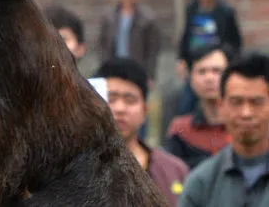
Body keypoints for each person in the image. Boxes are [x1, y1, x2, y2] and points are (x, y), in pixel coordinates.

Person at [180, 52, 269, 206]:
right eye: (236, 102)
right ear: (221, 106)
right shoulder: (201, 182)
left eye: (256, 102)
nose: (246, 113)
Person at [96, 57, 189, 206]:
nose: (120, 108)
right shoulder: (73, 170)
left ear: (145, 110)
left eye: (130, 100)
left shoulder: (174, 171)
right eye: (111, 99)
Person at [176, 0, 243, 116]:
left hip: (217, 64)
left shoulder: (226, 11)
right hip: (196, 63)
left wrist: (224, 58)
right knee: (186, 104)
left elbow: (236, 43)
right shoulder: (192, 9)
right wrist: (181, 59)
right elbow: (185, 36)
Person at [165, 44, 231, 170]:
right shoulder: (180, 130)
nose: (209, 78)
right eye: (202, 71)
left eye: (217, 71)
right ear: (190, 78)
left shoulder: (246, 125)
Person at [98, 0, 162, 86]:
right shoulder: (110, 18)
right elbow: (103, 45)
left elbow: (152, 51)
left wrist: (150, 75)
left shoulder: (147, 19)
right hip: (114, 69)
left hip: (137, 70)